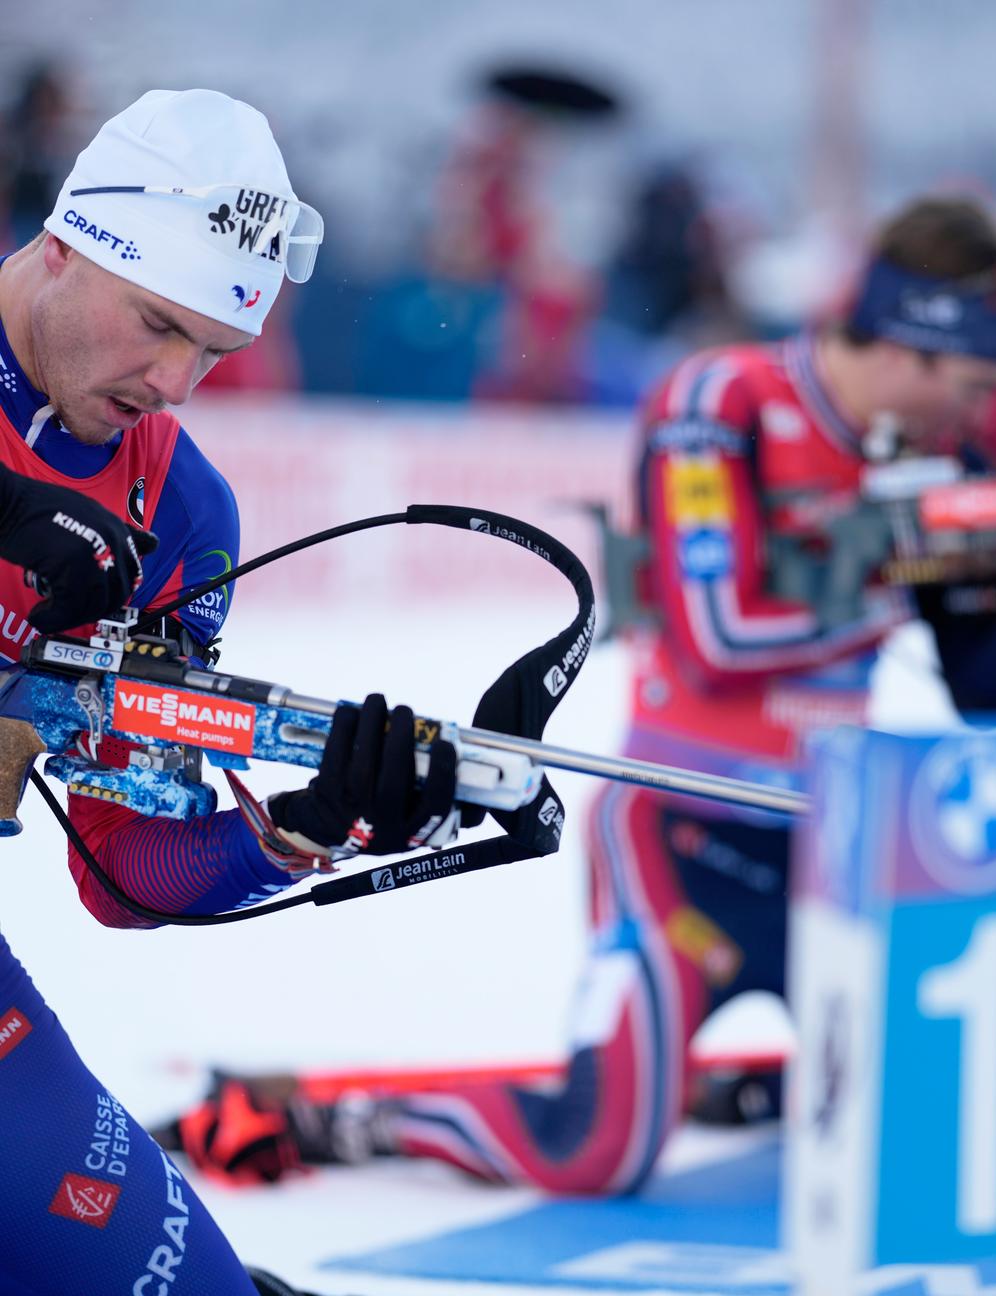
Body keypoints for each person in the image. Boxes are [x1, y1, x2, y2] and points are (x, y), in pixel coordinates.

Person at [163, 195, 996, 1196]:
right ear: (910, 348)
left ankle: (747, 1083)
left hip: (842, 846)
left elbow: (987, 685)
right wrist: (920, 561)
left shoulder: (936, 454)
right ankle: (348, 1124)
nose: (982, 415)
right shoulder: (723, 398)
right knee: (594, 1149)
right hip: (681, 839)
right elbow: (719, 632)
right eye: (975, 384)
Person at [0, 88, 457, 1294]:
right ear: (62, 245)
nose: (178, 381)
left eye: (215, 349)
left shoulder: (184, 512)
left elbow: (124, 870)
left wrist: (308, 828)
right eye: (157, 323)